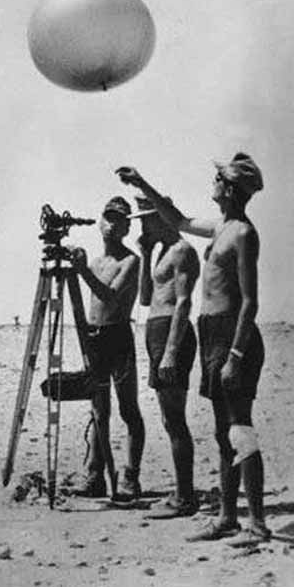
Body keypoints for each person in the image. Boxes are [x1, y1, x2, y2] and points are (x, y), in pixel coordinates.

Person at [117, 153, 271, 544]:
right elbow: (179, 220)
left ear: (230, 188)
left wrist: (235, 355)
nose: (213, 184)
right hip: (211, 333)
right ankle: (227, 517)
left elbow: (250, 302)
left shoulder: (242, 233)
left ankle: (256, 523)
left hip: (233, 334)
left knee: (239, 430)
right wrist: (142, 183)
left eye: (218, 179)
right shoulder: (222, 226)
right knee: (223, 433)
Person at [67, 196, 145, 500]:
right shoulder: (97, 262)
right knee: (99, 410)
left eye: (119, 219)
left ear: (127, 226)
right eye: (108, 218)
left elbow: (110, 297)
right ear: (100, 222)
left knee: (128, 410)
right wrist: (82, 269)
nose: (112, 224)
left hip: (119, 337)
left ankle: (130, 476)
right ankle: (96, 474)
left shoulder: (130, 261)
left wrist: (82, 272)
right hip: (95, 337)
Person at [130, 194, 200, 518]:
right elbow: (145, 298)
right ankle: (181, 493)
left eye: (147, 218)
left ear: (161, 217)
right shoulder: (160, 252)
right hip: (156, 331)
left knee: (175, 418)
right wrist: (145, 252)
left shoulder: (183, 251)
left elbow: (183, 302)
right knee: (169, 418)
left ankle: (185, 497)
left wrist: (172, 349)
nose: (143, 225)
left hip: (172, 333)